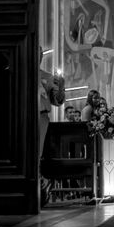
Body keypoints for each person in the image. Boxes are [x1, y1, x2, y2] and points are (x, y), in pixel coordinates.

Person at [39, 47, 65, 204]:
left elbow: (58, 101)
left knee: (37, 152)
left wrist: (61, 86)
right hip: (21, 116)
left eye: (39, 53)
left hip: (41, 116)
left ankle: (40, 184)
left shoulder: (48, 77)